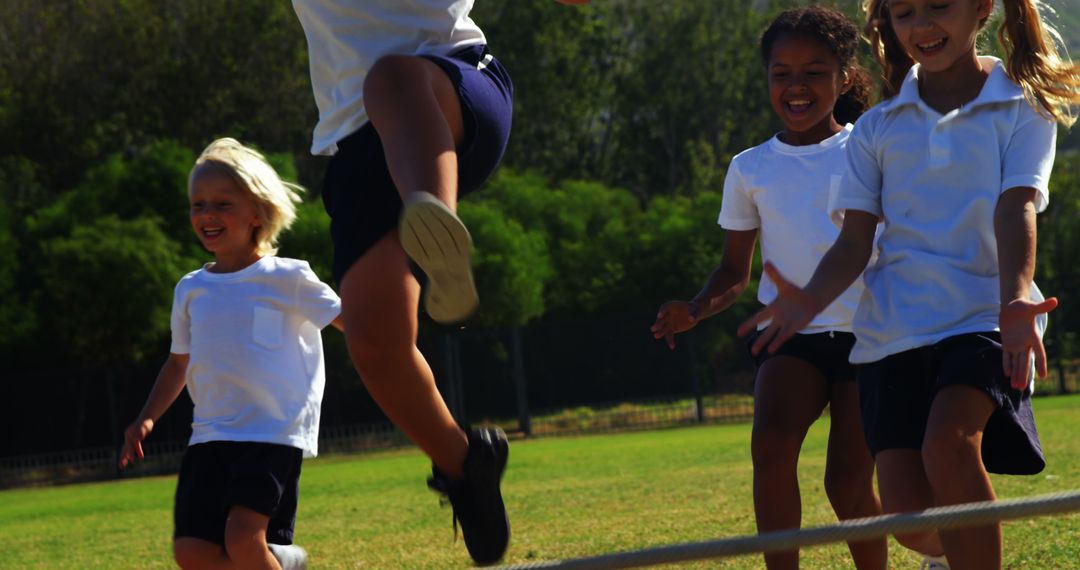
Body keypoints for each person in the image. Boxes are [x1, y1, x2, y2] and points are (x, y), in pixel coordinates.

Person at [739, 0, 1080, 567]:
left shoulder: (1022, 106)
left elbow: (1015, 206)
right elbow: (853, 243)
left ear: (981, 9)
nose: (921, 26)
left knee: (949, 447)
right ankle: (948, 555)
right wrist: (808, 300)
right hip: (891, 332)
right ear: (886, 26)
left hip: (982, 316)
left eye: (938, 7)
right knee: (906, 512)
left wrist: (1017, 296)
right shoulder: (875, 129)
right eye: (903, 13)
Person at [288, 0, 587, 564]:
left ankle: (436, 231)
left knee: (393, 77)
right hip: (357, 140)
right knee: (375, 343)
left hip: (448, 86)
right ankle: (463, 465)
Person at [650, 7, 886, 569]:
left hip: (870, 337)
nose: (796, 87)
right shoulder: (749, 168)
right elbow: (734, 273)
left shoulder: (868, 150)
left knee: (846, 485)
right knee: (770, 448)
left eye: (814, 72)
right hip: (790, 336)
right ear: (767, 79)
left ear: (844, 77)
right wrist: (695, 309)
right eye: (782, 74)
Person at [119, 138, 342, 570]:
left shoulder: (289, 278)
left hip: (272, 433)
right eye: (197, 204)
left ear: (258, 212)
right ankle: (281, 563)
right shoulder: (190, 289)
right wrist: (146, 417)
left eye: (222, 204)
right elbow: (178, 363)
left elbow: (354, 320)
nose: (206, 215)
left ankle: (271, 557)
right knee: (192, 552)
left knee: (242, 538)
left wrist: (396, 303)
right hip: (210, 436)